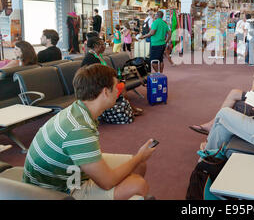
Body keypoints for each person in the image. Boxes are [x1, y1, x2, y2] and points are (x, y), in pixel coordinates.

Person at [22, 64, 156, 199]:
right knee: (138, 185)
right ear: (105, 92)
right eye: (116, 86)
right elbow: (107, 183)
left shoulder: (78, 109)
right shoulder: (79, 129)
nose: (119, 90)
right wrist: (140, 155)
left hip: (69, 173)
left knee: (138, 165)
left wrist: (138, 159)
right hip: (56, 192)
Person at [81, 36, 143, 115]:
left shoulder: (98, 56)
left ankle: (129, 108)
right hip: (94, 85)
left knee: (121, 85)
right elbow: (94, 76)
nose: (104, 47)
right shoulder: (90, 58)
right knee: (120, 86)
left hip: (101, 81)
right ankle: (130, 108)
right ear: (96, 46)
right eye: (102, 44)